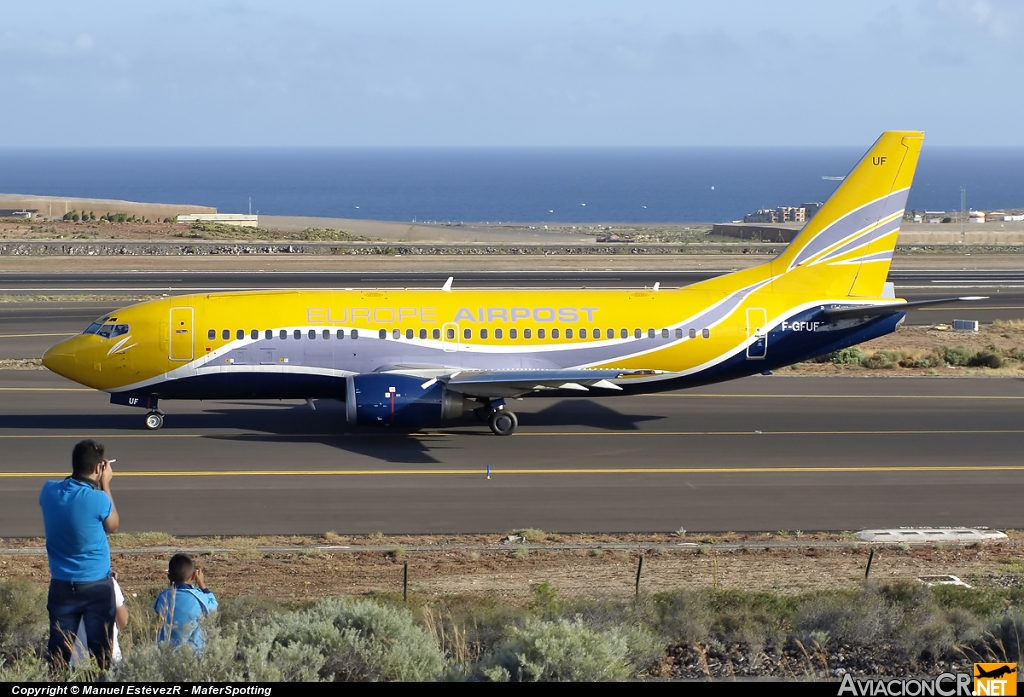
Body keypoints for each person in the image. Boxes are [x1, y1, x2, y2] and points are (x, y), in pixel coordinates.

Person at [39, 439, 120, 669]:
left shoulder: (48, 491)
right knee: (102, 653)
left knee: (58, 651)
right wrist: (105, 484)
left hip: (62, 584)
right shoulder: (98, 498)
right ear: (98, 468)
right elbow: (113, 525)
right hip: (96, 585)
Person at [154, 553, 218, 651]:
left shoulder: (163, 597)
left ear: (169, 577)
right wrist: (202, 585)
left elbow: (157, 610)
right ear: (194, 575)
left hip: (167, 652)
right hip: (194, 652)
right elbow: (213, 607)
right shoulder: (198, 596)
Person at [71, 573, 128, 667]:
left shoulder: (63, 585)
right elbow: (123, 621)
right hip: (109, 658)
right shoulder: (109, 583)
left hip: (78, 662)